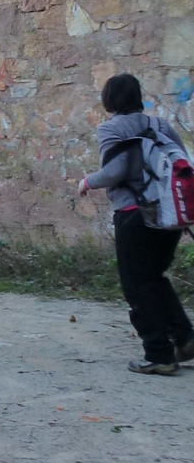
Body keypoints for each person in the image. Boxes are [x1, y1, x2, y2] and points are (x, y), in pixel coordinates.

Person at [79, 73, 194, 374]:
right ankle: (185, 338)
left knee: (137, 284)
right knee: (154, 276)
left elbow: (114, 171)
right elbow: (182, 161)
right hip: (168, 215)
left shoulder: (111, 128)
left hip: (135, 213)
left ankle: (159, 355)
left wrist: (87, 181)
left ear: (109, 99)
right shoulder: (161, 125)